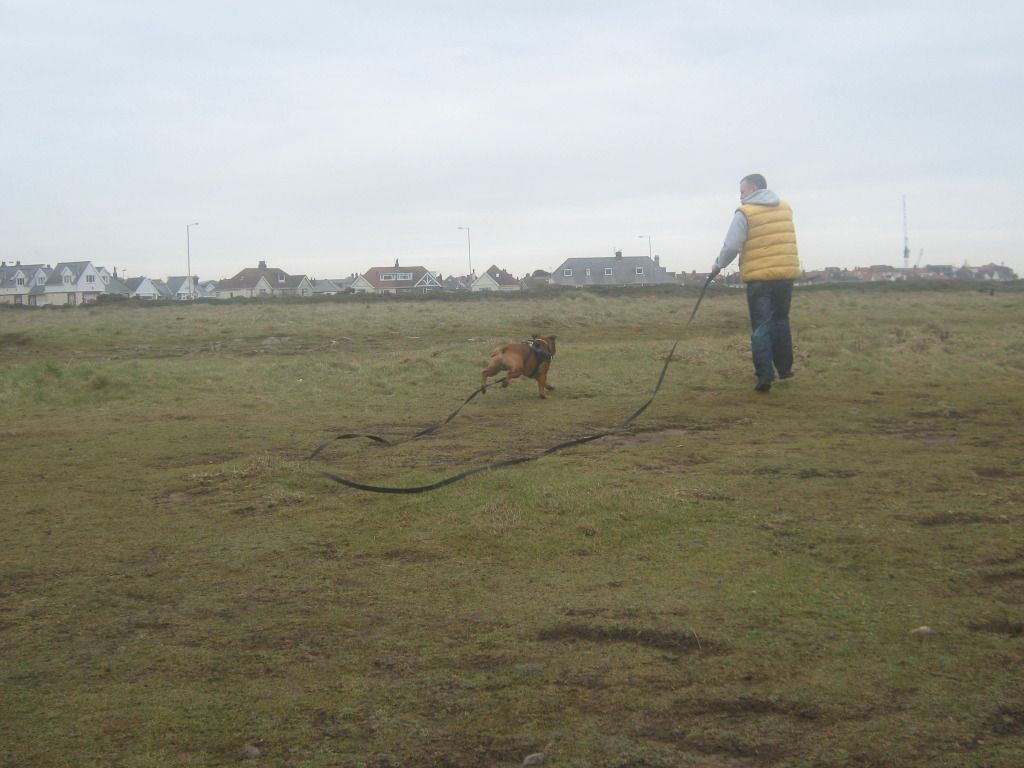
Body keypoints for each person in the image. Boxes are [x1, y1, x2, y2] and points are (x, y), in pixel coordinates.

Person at [710, 174, 801, 393]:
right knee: (781, 320)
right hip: (785, 274)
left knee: (761, 326)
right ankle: (785, 367)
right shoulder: (785, 208)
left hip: (760, 277)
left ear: (754, 188)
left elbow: (732, 245)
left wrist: (717, 266)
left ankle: (764, 375)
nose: (740, 196)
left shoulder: (746, 212)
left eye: (742, 191)